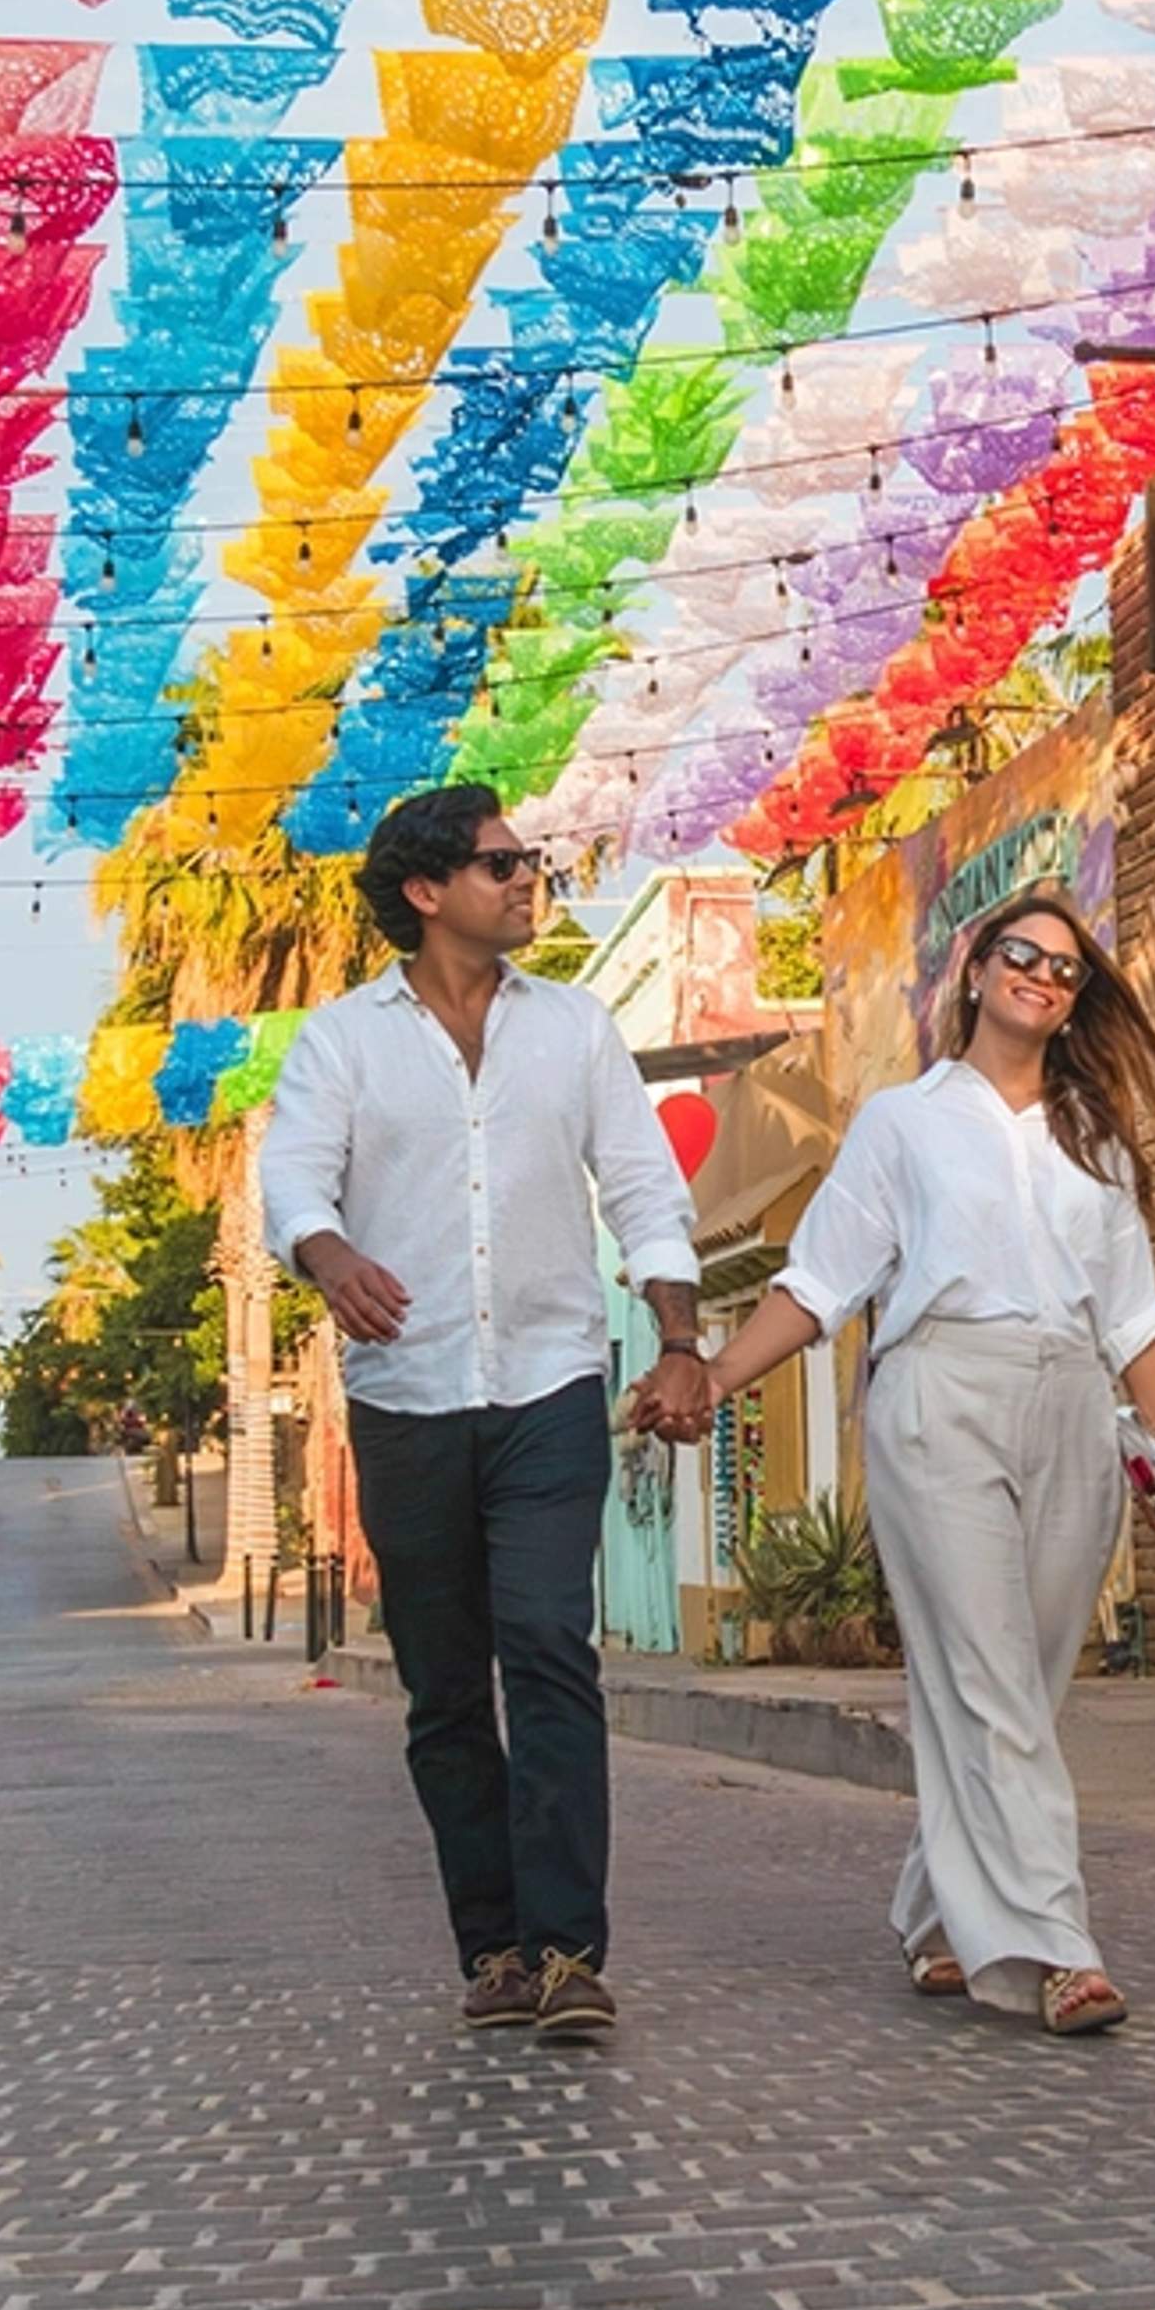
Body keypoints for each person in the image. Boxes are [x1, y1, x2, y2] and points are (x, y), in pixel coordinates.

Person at [657, 889, 1155, 2036]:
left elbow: (1134, 1312)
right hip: (939, 1394)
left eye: (1065, 968)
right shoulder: (903, 1122)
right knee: (991, 1678)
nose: (1042, 977)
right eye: (1022, 955)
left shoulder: (1094, 1136)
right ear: (977, 969)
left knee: (1024, 1685)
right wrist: (709, 1373)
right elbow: (818, 1283)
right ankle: (1058, 1947)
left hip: (1071, 1403)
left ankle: (937, 1911)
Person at [260, 784, 713, 2043]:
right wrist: (328, 1253)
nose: (529, 881)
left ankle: (570, 1950)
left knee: (550, 1650)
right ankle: (496, 1945)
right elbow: (293, 1175)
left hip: (550, 1388)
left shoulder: (574, 1030)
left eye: (531, 861)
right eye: (504, 863)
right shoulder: (343, 1041)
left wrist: (680, 1339)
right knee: (448, 1691)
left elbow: (644, 1190)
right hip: (406, 1401)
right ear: (426, 890)